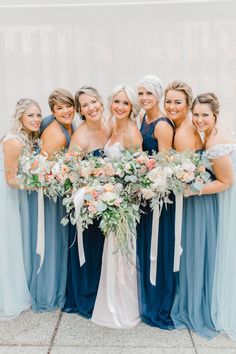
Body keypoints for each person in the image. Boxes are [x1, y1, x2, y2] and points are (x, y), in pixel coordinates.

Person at [165, 82, 219, 338]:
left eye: (178, 102)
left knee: (195, 250)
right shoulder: (188, 128)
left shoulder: (186, 132)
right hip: (193, 197)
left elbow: (201, 172)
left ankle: (195, 305)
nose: (172, 106)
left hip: (197, 200)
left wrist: (188, 186)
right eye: (169, 101)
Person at [91, 84, 142, 328]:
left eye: (125, 103)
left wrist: (117, 192)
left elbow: (137, 172)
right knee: (111, 253)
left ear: (132, 107)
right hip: (109, 197)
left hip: (123, 202)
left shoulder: (132, 133)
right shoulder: (113, 127)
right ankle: (109, 301)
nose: (120, 107)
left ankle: (124, 307)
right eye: (117, 102)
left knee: (123, 252)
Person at [63, 86, 113, 318]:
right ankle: (88, 296)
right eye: (85, 105)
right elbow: (70, 169)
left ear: (101, 102)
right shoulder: (80, 135)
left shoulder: (112, 123)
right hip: (90, 201)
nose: (91, 107)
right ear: (80, 111)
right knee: (92, 250)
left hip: (112, 198)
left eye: (93, 102)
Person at [191, 92, 236, 340]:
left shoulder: (215, 143)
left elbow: (226, 182)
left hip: (228, 196)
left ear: (215, 115)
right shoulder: (214, 133)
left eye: (204, 115)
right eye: (195, 114)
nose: (199, 120)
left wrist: (193, 190)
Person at [29, 88, 76, 311]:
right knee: (51, 241)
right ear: (52, 111)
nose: (66, 111)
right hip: (51, 195)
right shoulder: (56, 135)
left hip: (57, 191)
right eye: (60, 108)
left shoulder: (61, 124)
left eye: (69, 106)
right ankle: (48, 293)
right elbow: (45, 169)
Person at [136, 74, 176, 329]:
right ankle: (147, 296)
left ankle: (160, 301)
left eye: (149, 93)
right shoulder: (143, 118)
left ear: (158, 96)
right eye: (140, 93)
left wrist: (146, 174)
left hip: (158, 191)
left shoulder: (162, 124)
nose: (144, 98)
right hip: (144, 190)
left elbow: (164, 161)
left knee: (158, 247)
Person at [0, 98, 42, 319]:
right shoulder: (14, 141)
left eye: (38, 115)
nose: (36, 120)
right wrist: (41, 182)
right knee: (9, 242)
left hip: (18, 194)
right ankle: (9, 294)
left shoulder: (29, 138)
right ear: (20, 118)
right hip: (8, 196)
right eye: (30, 116)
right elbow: (9, 178)